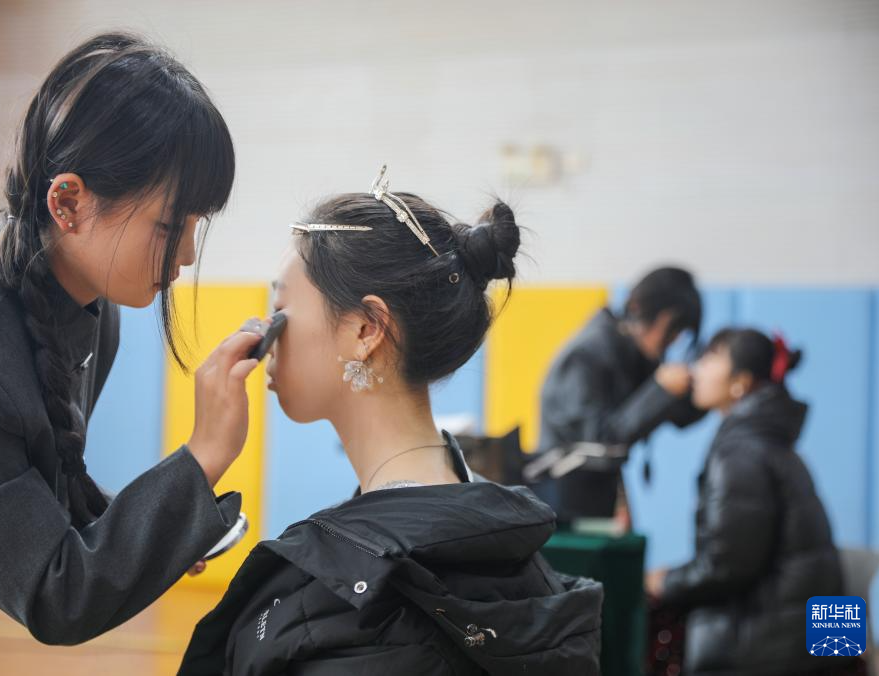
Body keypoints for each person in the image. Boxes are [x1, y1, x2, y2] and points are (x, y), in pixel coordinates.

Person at [0, 33, 266, 675]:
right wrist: (205, 453)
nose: (188, 255)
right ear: (68, 202)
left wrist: (158, 528)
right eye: (171, 226)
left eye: (197, 225)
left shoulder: (86, 305)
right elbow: (57, 596)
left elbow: (34, 485)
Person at [178, 167, 604, 675]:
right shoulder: (520, 559)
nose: (264, 338)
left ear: (365, 329)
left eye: (280, 312)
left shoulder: (342, 606)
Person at [645, 329, 847, 676]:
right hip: (817, 640)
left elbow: (729, 567)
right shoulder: (768, 443)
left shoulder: (740, 453)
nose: (697, 369)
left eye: (710, 358)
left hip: (778, 651)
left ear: (740, 382)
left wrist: (665, 582)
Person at [530, 267, 706, 521]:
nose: (675, 340)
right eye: (672, 327)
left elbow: (680, 416)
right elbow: (598, 442)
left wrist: (701, 380)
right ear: (644, 311)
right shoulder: (587, 356)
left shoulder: (630, 354)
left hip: (597, 497)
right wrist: (660, 390)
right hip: (562, 507)